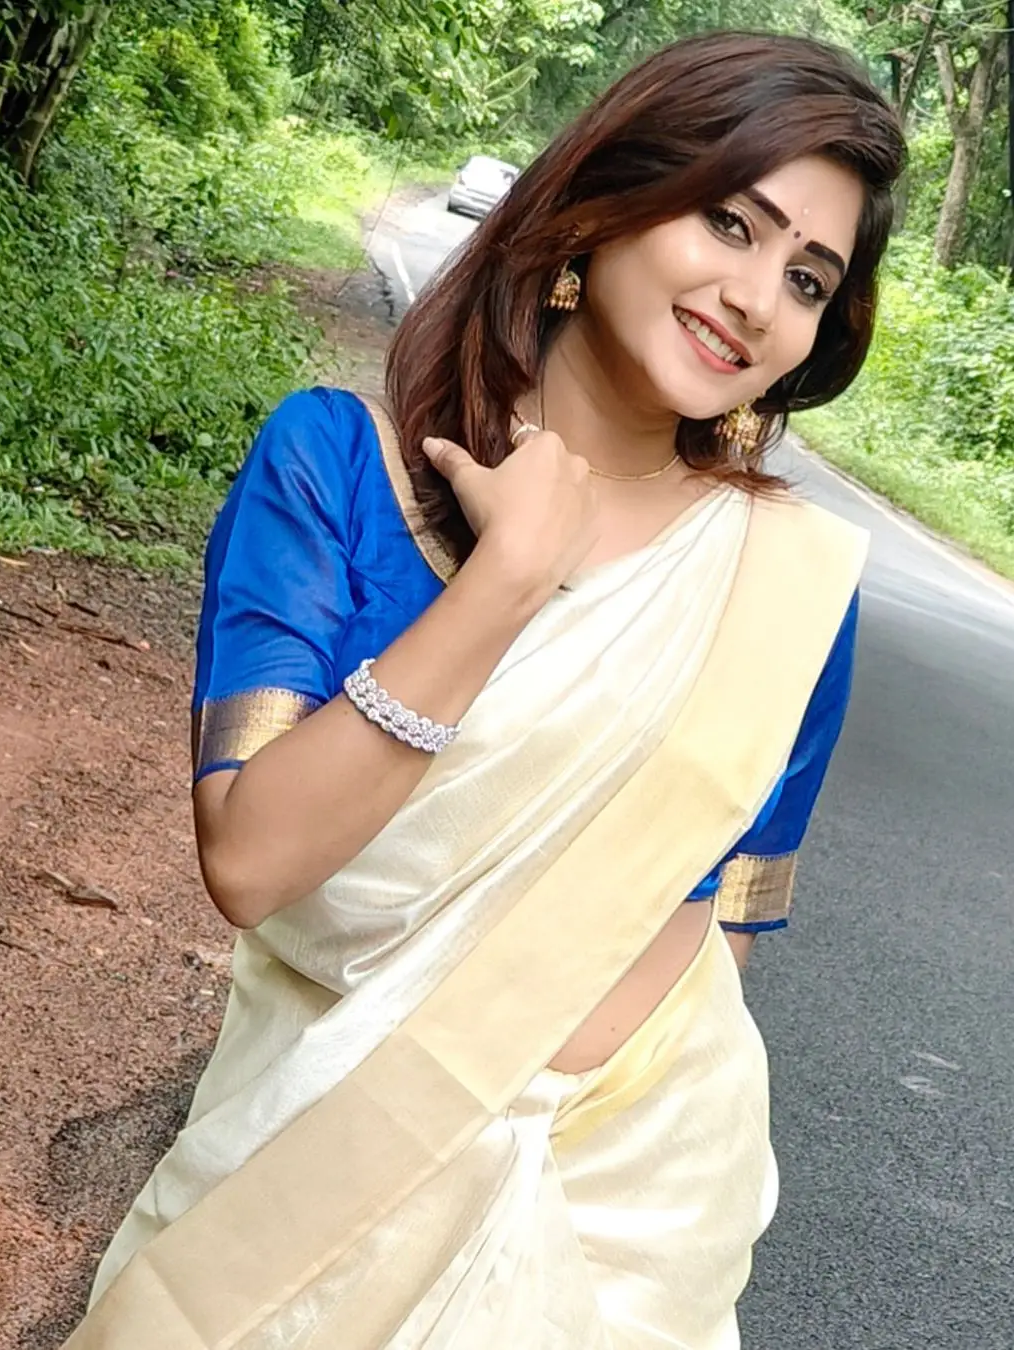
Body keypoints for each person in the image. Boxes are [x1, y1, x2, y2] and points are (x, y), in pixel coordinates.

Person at [64, 30, 905, 1350]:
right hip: (319, 1176)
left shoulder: (784, 581)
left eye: (807, 276)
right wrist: (505, 579)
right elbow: (253, 854)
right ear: (601, 199)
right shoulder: (336, 467)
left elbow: (718, 944)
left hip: (626, 1220)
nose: (756, 296)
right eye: (731, 222)